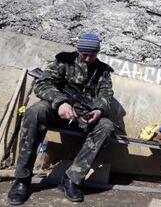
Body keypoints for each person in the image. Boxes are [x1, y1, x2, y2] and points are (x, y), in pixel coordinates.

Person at [7, 33, 115, 205]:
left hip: (83, 117)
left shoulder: (103, 71)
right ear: (78, 50)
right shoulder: (64, 61)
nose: (87, 59)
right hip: (57, 111)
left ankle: (72, 179)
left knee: (107, 126)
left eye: (92, 55)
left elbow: (106, 93)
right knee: (35, 111)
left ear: (98, 53)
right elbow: (42, 84)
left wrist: (98, 109)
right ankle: (22, 179)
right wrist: (61, 102)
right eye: (84, 54)